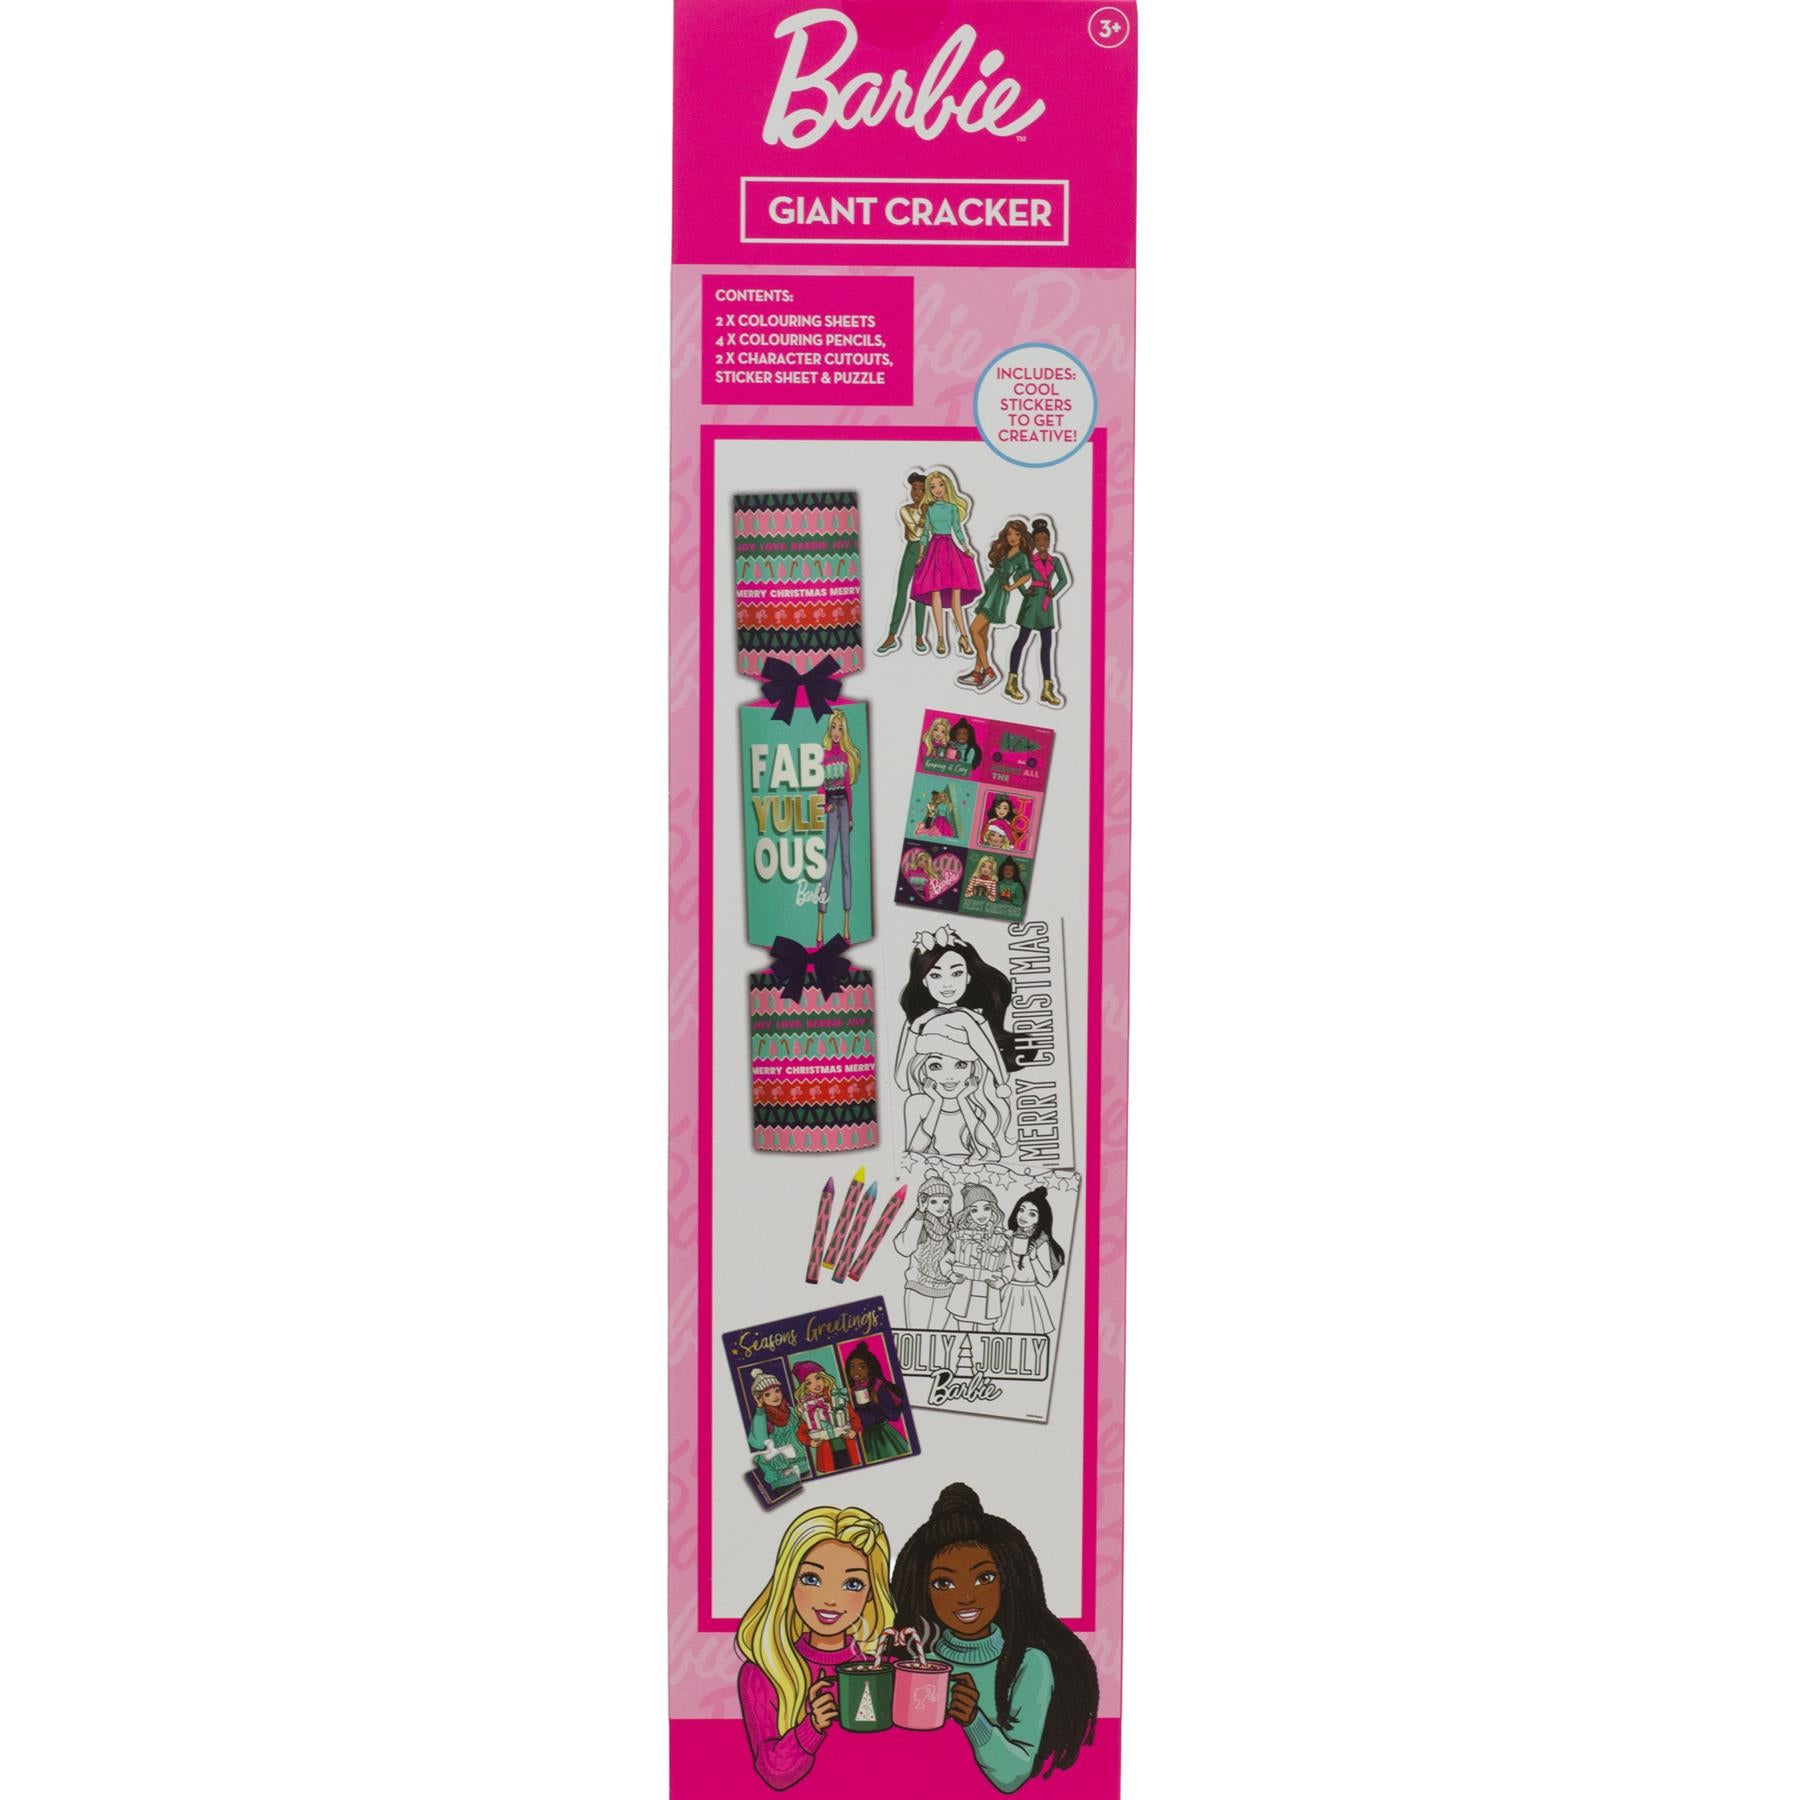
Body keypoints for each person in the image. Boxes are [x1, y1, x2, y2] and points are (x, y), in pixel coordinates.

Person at [890, 1484, 1099, 1792]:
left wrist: (973, 1720)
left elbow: (1013, 1775)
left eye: (984, 1578)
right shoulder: (920, 1669)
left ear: (1007, 1581)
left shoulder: (1029, 1664)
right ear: (924, 1590)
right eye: (943, 1583)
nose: (965, 1597)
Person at [735, 1504, 897, 1789]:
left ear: (872, 1593)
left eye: (853, 1583)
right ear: (789, 1583)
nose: (830, 1599)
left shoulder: (885, 1670)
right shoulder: (765, 1673)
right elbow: (773, 1773)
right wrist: (812, 1726)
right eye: (812, 1579)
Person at [894, 924, 1019, 1083]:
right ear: (924, 980)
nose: (947, 984)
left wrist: (982, 1023)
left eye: (957, 973)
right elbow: (902, 1082)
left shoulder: (973, 1018)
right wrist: (917, 1025)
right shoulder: (916, 1022)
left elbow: (1000, 1075)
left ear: (968, 977)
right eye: (935, 975)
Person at [902, 1014, 1013, 1162]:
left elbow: (992, 1155)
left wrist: (963, 1100)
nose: (949, 1076)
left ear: (973, 1069)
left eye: (960, 1065)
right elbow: (913, 1155)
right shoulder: (916, 1103)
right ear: (923, 1070)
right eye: (936, 1066)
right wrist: (936, 1103)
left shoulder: (978, 1103)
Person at [909, 470, 979, 657]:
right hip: (934, 549)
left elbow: (957, 529)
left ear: (946, 486)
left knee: (956, 594)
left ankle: (963, 636)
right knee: (936, 593)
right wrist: (921, 554)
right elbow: (925, 533)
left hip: (950, 548)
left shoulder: (951, 508)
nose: (937, 489)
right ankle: (940, 637)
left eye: (940, 485)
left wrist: (966, 548)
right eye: (932, 487)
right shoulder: (929, 509)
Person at [1004, 518, 1071, 707]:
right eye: (1038, 540)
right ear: (1033, 542)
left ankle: (1047, 689)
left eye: (1045, 539)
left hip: (1046, 605)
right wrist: (1024, 591)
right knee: (1022, 640)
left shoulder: (1055, 561)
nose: (1042, 543)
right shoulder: (1029, 560)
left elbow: (1064, 580)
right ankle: (1011, 682)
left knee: (1047, 644)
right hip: (1031, 604)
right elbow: (1018, 576)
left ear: (1050, 541)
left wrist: (1054, 592)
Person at [963, 518, 1032, 690]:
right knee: (982, 633)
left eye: (1016, 534)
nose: (1012, 537)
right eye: (1009, 534)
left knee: (974, 629)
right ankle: (977, 673)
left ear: (1022, 536)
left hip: (999, 593)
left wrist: (1011, 587)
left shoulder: (1022, 556)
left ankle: (988, 670)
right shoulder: (1004, 550)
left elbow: (1026, 575)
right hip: (990, 588)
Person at [995, 1190, 1066, 1336]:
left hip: (1027, 1296)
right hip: (1006, 1292)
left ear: (1040, 1218)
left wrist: (1033, 1258)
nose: (1023, 1216)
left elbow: (1046, 1281)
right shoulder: (1011, 1235)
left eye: (1032, 1214)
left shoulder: (1040, 1242)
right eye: (1021, 1210)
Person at [874, 471, 931, 655]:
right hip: (912, 549)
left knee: (921, 593)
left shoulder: (933, 508)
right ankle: (892, 635)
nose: (917, 493)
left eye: (921, 489)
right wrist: (924, 515)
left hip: (928, 551)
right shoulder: (905, 510)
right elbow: (916, 533)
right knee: (901, 591)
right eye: (914, 489)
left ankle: (920, 636)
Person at [816, 709, 860, 941]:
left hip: (844, 807)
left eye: (840, 728)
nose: (836, 732)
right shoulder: (822, 755)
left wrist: (850, 814)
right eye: (834, 727)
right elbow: (819, 785)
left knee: (846, 861)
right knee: (828, 861)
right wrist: (824, 806)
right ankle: (820, 924)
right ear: (829, 728)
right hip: (831, 807)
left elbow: (848, 788)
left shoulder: (844, 756)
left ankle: (846, 923)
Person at [893, 1174, 955, 1328]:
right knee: (915, 1333)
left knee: (936, 1336)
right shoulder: (918, 1223)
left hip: (945, 1290)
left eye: (945, 1201)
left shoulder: (953, 1228)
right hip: (918, 1287)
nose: (941, 1206)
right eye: (934, 1201)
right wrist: (920, 1212)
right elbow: (904, 1248)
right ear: (924, 1202)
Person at [840, 1342, 910, 1462]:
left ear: (870, 1369)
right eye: (852, 1367)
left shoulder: (878, 1386)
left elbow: (894, 1416)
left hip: (883, 1434)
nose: (855, 1371)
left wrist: (878, 1402)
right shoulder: (851, 1390)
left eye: (861, 1367)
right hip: (866, 1435)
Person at [746, 1367, 809, 1498]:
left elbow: (803, 1433)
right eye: (767, 1394)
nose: (775, 1396)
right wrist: (759, 1409)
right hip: (782, 1477)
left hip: (804, 1466)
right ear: (759, 1398)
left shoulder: (792, 1411)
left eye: (777, 1391)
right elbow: (758, 1443)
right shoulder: (761, 1419)